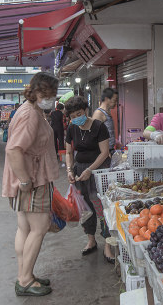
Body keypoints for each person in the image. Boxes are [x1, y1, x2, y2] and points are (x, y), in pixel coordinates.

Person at [2, 72, 59, 297]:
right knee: (40, 227)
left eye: (53, 94)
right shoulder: (30, 115)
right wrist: (25, 180)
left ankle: (24, 275)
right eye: (48, 93)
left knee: (25, 228)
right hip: (33, 180)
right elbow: (14, 149)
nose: (51, 98)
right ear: (36, 92)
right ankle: (25, 279)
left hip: (30, 178)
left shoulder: (33, 110)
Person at [65, 96, 115, 263]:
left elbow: (104, 153)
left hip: (99, 169)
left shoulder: (98, 126)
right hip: (80, 170)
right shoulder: (72, 128)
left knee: (101, 205)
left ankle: (108, 243)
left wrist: (90, 170)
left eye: (78, 114)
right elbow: (68, 152)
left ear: (85, 111)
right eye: (72, 116)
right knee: (85, 207)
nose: (75, 118)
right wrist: (70, 170)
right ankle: (91, 239)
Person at [92, 87, 118, 154]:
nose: (116, 103)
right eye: (114, 100)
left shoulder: (107, 112)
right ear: (106, 99)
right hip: (103, 152)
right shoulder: (98, 113)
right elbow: (94, 135)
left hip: (110, 150)